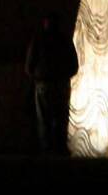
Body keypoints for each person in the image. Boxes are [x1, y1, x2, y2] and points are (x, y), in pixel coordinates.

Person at [25, 13, 79, 156]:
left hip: (44, 85)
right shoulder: (64, 40)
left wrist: (37, 76)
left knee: (44, 119)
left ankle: (46, 150)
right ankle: (59, 148)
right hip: (61, 85)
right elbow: (74, 65)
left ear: (44, 23)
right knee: (60, 118)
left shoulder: (38, 40)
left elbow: (29, 66)